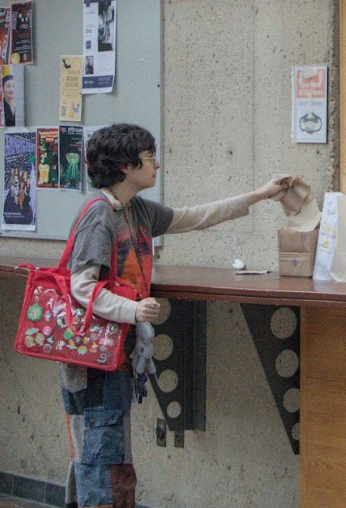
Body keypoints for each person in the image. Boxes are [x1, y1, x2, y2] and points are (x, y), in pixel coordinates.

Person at [59, 123, 286, 508]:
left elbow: (193, 217)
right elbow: (82, 287)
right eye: (149, 158)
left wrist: (261, 195)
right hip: (92, 360)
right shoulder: (99, 216)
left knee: (101, 452)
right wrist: (132, 309)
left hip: (115, 353)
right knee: (104, 457)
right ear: (125, 166)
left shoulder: (137, 210)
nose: (158, 165)